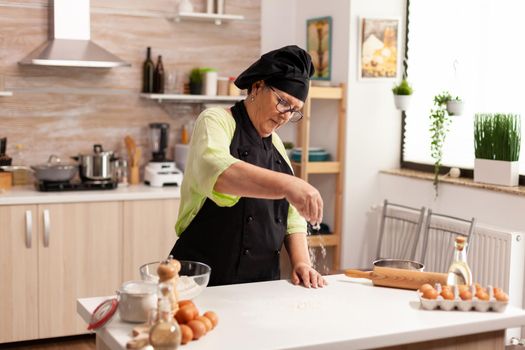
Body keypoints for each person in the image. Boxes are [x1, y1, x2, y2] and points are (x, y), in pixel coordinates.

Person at [170, 45, 327, 288]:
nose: (286, 115)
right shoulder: (216, 120)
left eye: (294, 110)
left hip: (260, 283)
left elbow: (292, 217)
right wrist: (289, 184)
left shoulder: (276, 144)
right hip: (201, 279)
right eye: (283, 102)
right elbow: (219, 172)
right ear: (257, 87)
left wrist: (302, 262)